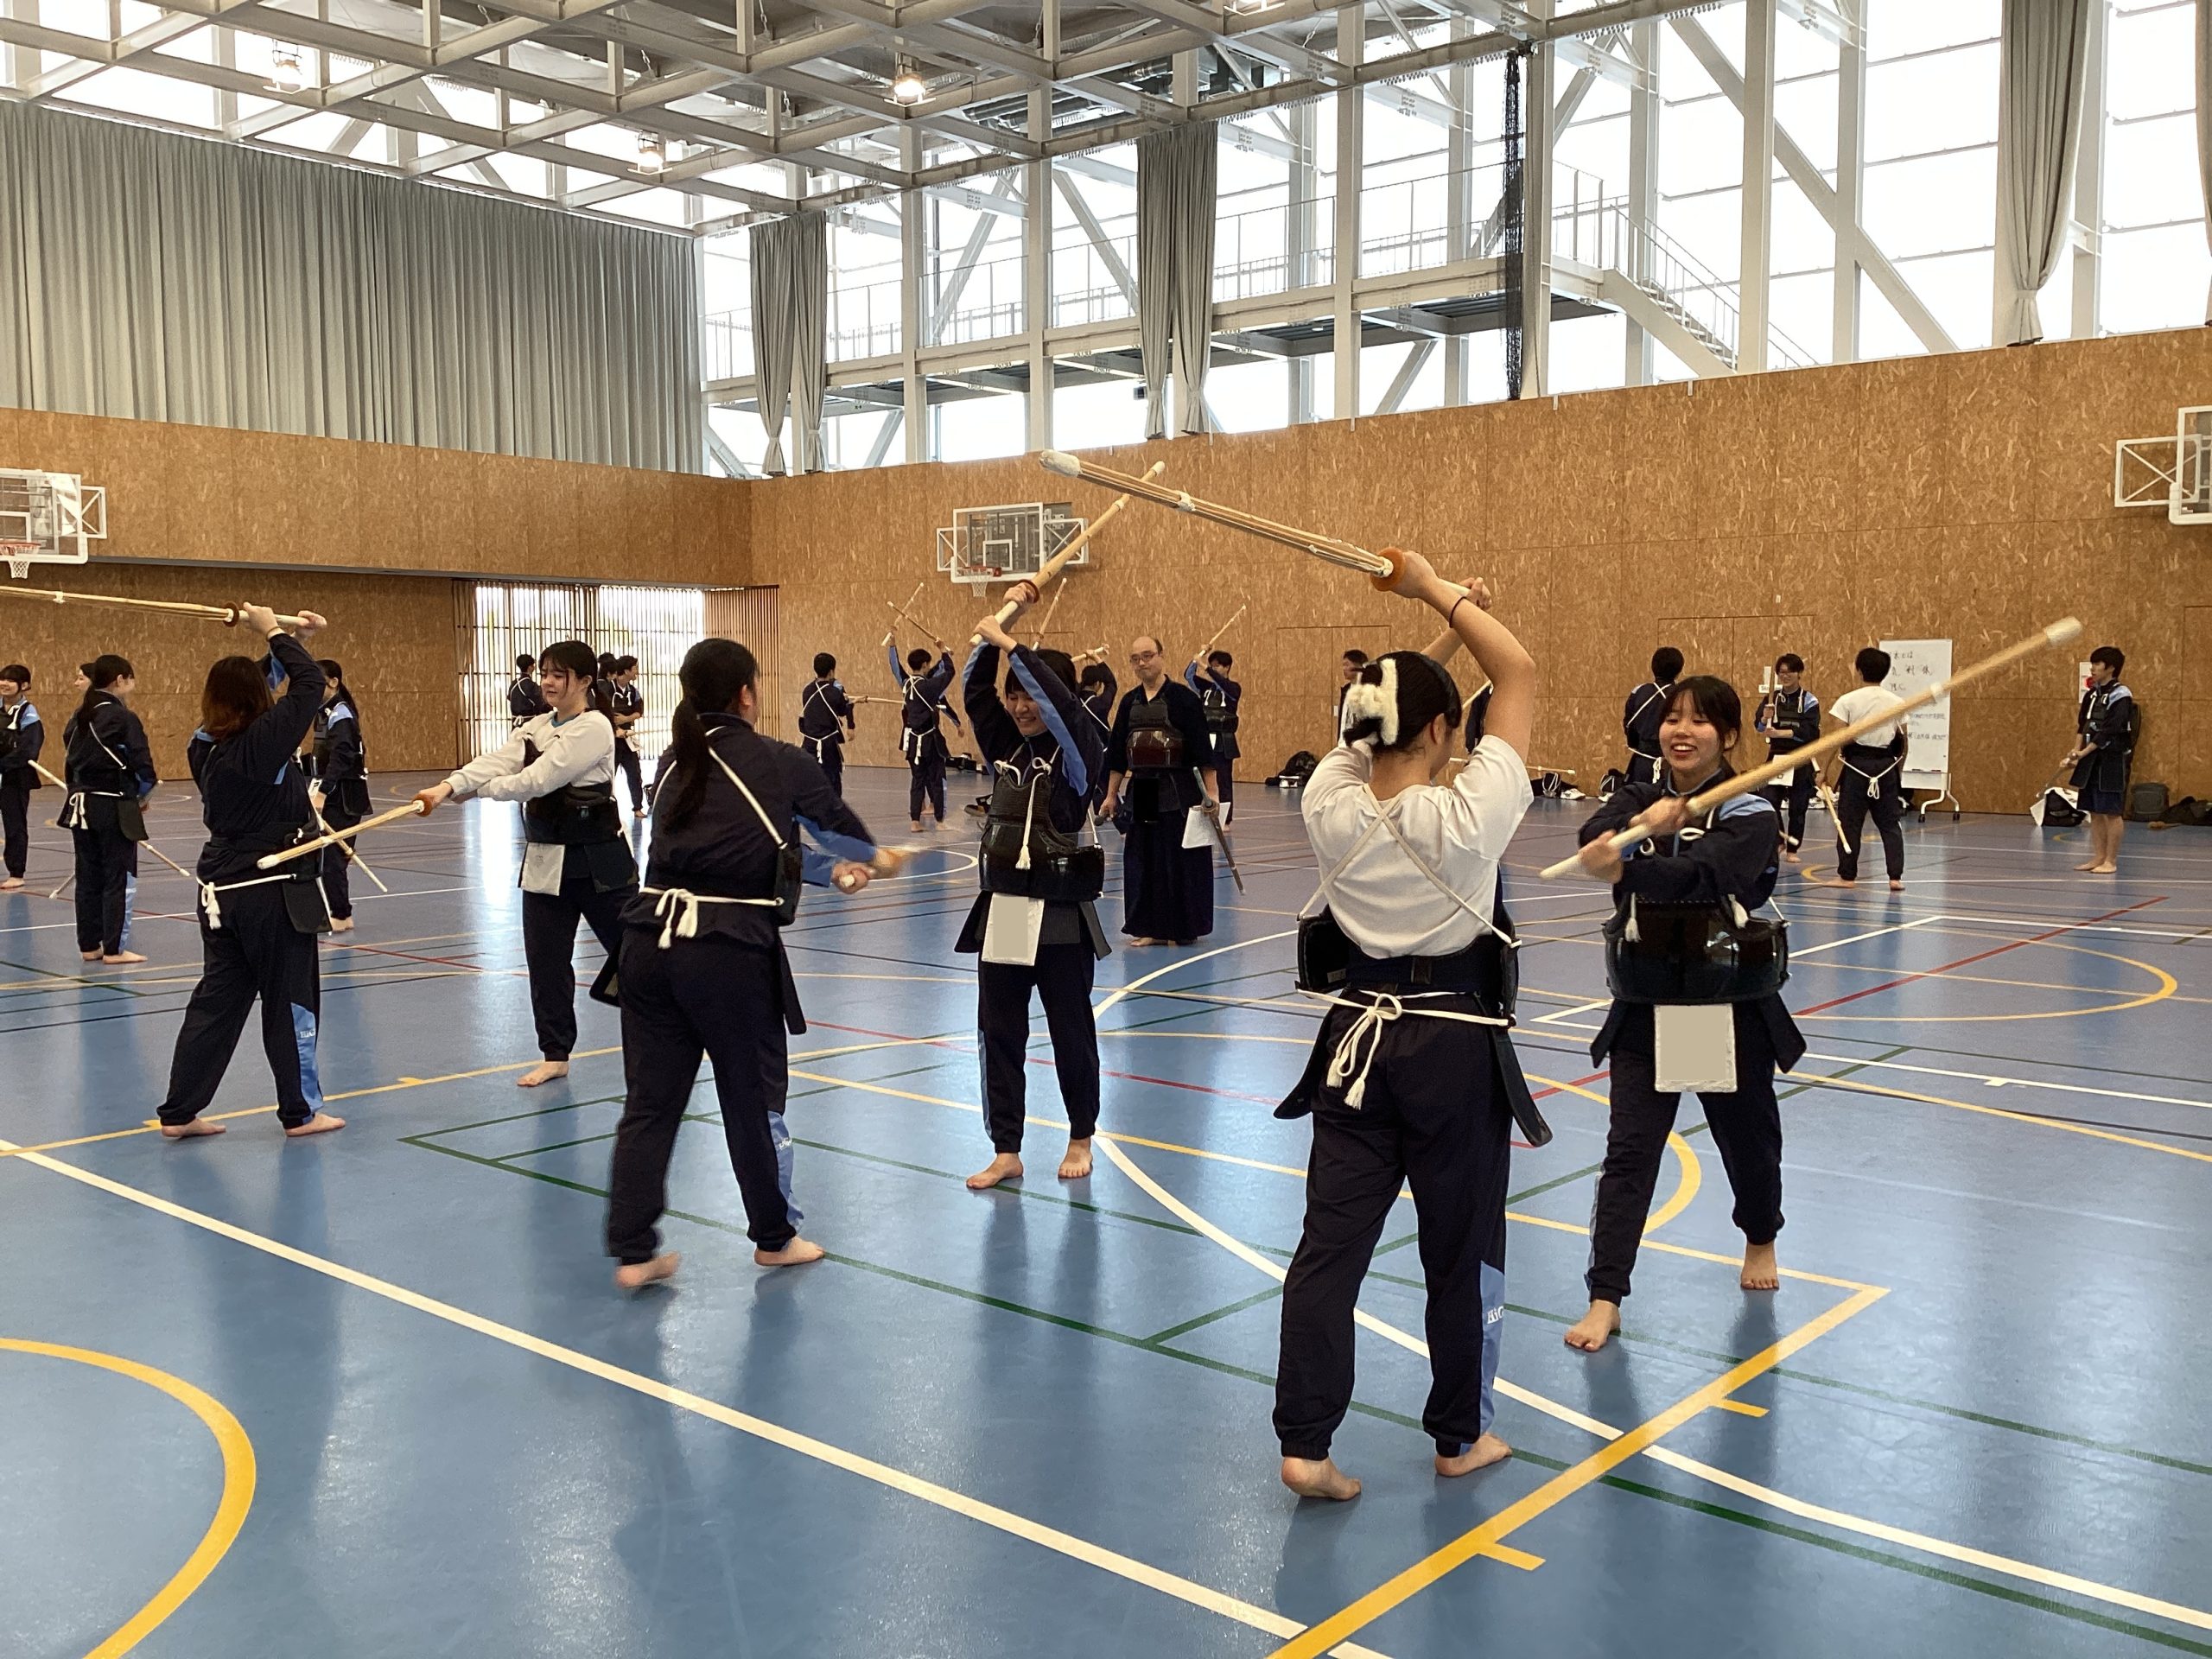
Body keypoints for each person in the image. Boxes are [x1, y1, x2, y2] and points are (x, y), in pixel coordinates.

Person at [1273, 555, 1542, 1503]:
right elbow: (1515, 673)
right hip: (1449, 1049)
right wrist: (1438, 592)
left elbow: (1371, 721)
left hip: (1353, 1048)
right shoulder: (1467, 814)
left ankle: (1304, 1445)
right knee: (1458, 1249)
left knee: (1328, 1248)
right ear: (1440, 728)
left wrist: (1425, 627)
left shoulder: (1325, 800)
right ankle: (1457, 1436)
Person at [603, 638, 891, 1289]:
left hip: (647, 945)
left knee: (650, 1103)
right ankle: (773, 1237)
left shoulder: (677, 759)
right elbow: (840, 831)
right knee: (749, 1097)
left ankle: (632, 1248)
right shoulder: (778, 760)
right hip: (724, 952)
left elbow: (753, 845)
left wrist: (825, 869)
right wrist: (864, 858)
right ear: (747, 695)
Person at [1564, 675, 1804, 1353]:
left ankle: (1760, 1238)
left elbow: (1706, 875)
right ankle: (1605, 1295)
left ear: (1728, 735)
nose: (1682, 730)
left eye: (1700, 721)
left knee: (1747, 1141)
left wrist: (1625, 865)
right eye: (1673, 718)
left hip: (1726, 1004)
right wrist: (1631, 830)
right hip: (1648, 1004)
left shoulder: (1752, 811)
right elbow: (1595, 829)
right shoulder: (1641, 795)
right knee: (1629, 1154)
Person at [156, 607, 348, 1141]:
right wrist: (273, 631)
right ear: (259, 702)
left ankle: (178, 1112)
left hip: (220, 889)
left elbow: (249, 691)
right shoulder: (261, 744)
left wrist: (286, 643)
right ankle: (301, 1112)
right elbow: (310, 685)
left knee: (217, 1001)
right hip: (270, 892)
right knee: (291, 999)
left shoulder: (204, 743)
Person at [414, 639, 637, 1089]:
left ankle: (676, 1030)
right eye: (546, 674)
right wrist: (446, 787)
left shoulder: (593, 727)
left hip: (599, 863)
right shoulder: (537, 725)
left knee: (634, 954)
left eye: (559, 675)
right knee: (546, 960)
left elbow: (540, 779)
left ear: (585, 681)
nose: (549, 683)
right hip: (545, 860)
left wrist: (480, 792)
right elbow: (500, 759)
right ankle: (555, 1053)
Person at [956, 584, 1111, 1194]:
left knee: (1071, 1027)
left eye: (1030, 696)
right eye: (1015, 695)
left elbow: (1062, 706)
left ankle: (1079, 1133)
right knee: (1000, 1030)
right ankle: (1007, 1148)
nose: (1021, 706)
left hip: (1062, 912)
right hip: (1005, 908)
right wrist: (1007, 616)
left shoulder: (1079, 753)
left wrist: (1013, 646)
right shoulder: (1005, 749)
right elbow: (973, 688)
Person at [1102, 636, 1220, 947]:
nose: (1142, 663)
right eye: (1135, 659)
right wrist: (1111, 795)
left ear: (1161, 656)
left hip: (1179, 790)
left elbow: (1203, 753)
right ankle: (1148, 927)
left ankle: (1183, 927)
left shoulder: (1183, 699)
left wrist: (1213, 793)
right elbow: (1116, 754)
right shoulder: (1129, 702)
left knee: (1180, 862)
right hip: (1142, 789)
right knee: (1145, 861)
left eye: (1147, 656)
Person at [61, 654, 156, 964]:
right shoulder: (122, 717)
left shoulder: (78, 717)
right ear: (120, 679)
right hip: (112, 804)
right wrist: (141, 797)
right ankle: (114, 948)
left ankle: (89, 945)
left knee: (87, 876)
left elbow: (69, 764)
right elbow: (144, 766)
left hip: (80, 805)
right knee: (119, 876)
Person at [1828, 646, 1907, 891]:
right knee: (1890, 824)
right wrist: (1897, 774)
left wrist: (1824, 771)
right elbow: (1904, 744)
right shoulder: (1897, 702)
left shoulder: (1848, 701)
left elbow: (1838, 739)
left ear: (1859, 670)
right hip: (1886, 766)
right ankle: (1895, 878)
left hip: (1857, 767)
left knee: (1850, 823)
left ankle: (1847, 876)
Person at [307, 660, 369, 934]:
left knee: (334, 858)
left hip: (344, 797)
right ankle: (336, 911)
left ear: (333, 682)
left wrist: (322, 791)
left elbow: (343, 756)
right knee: (324, 857)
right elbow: (322, 756)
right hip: (330, 792)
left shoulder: (341, 712)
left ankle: (341, 915)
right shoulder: (322, 713)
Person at [2067, 645, 2135, 876]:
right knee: (2094, 810)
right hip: (2089, 758)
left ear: (2111, 668)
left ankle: (2111, 860)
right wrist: (2075, 753)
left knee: (2111, 811)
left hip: (2111, 759)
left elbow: (2110, 730)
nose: (2093, 668)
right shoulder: (2092, 695)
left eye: (2097, 664)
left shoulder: (2122, 695)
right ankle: (2098, 856)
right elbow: (2082, 726)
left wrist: (2084, 753)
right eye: (2092, 663)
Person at [888, 635, 962, 834]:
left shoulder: (905, 684)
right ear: (924, 665)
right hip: (930, 740)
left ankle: (915, 822)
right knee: (937, 779)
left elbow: (896, 668)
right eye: (928, 665)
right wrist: (943, 651)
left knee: (917, 780)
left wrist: (892, 646)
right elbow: (950, 672)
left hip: (912, 741)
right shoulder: (929, 687)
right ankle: (939, 821)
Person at [1754, 653, 1821, 861]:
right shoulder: (1772, 699)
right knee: (1769, 799)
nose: (1786, 676)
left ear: (1799, 673)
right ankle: (1779, 840)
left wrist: (1783, 733)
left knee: (1798, 806)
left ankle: (1793, 849)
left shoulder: (1809, 700)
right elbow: (1758, 726)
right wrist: (1765, 718)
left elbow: (1811, 732)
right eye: (1781, 672)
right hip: (1777, 758)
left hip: (1799, 758)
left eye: (1790, 672)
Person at [1185, 649, 1243, 823]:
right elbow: (1188, 676)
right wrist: (1198, 658)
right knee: (1200, 777)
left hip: (1223, 741)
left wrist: (1206, 668)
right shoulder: (1206, 688)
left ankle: (1226, 819)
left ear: (1226, 668)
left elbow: (1222, 684)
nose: (1213, 669)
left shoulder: (1233, 689)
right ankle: (1202, 811)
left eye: (1217, 666)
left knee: (1223, 780)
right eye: (1212, 666)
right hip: (1205, 738)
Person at [0, 664, 42, 890]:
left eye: (10, 680)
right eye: (2, 679)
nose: (4, 684)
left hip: (13, 779)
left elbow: (28, 750)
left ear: (24, 685)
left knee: (14, 825)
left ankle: (16, 872)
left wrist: (3, 765)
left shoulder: (29, 714)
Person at [798, 652, 858, 798]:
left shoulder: (807, 690)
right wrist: (851, 703)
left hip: (809, 744)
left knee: (811, 780)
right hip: (828, 746)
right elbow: (842, 711)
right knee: (833, 782)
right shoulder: (834, 692)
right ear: (831, 671)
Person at [1622, 647, 1682, 787]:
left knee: (1638, 804)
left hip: (1641, 765)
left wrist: (1636, 745)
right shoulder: (1682, 694)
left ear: (1653, 667)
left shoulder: (1639, 693)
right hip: (1673, 764)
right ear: (1679, 670)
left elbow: (1629, 725)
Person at [608, 655, 646, 819]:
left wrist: (626, 719)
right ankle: (607, 809)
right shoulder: (607, 689)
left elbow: (639, 712)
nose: (637, 671)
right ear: (626, 671)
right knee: (608, 775)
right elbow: (602, 713)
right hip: (610, 739)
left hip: (628, 738)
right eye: (635, 668)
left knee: (634, 773)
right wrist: (615, 728)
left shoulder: (633, 692)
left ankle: (637, 807)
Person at [1333, 648, 1370, 730]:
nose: (1344, 668)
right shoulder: (1346, 690)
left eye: (1347, 664)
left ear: (1359, 666)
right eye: (1343, 665)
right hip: (1344, 741)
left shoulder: (1368, 689)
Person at [1077, 660, 1118, 734]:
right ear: (1097, 684)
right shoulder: (1101, 703)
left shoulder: (1074, 700)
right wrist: (1097, 659)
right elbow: (1111, 684)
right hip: (1100, 744)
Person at [508, 654, 548, 728]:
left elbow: (510, 698)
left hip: (515, 723)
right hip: (529, 723)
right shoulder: (531, 685)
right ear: (530, 668)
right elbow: (541, 703)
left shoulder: (513, 684)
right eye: (533, 665)